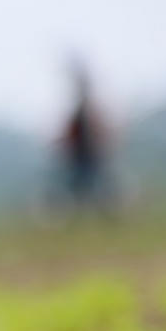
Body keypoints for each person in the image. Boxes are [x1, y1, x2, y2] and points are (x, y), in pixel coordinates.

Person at [57, 62, 114, 216]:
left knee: (96, 189)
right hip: (81, 158)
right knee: (79, 191)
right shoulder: (80, 113)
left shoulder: (88, 111)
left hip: (91, 158)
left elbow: (100, 133)